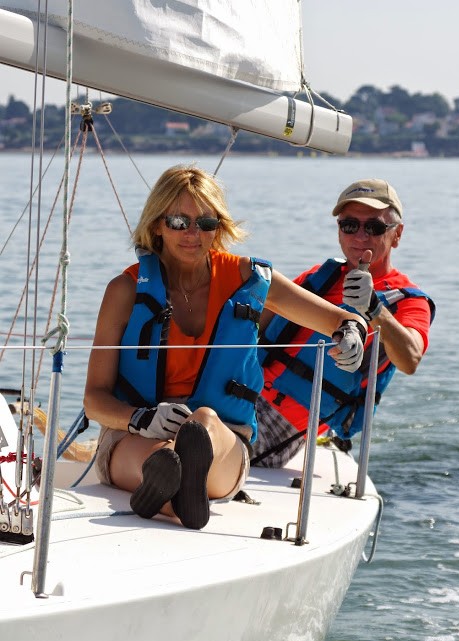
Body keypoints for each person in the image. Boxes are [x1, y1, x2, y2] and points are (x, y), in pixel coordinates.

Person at [83, 165, 367, 530]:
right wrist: (142, 419)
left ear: (219, 227)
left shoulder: (249, 279)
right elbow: (94, 399)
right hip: (134, 436)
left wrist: (352, 332)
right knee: (160, 458)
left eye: (206, 222)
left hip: (223, 442)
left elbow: (338, 320)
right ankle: (177, 497)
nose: (193, 234)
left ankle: (168, 495)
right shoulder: (124, 291)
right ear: (157, 225)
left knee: (203, 424)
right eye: (179, 221)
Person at [252, 178, 435, 468]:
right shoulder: (319, 277)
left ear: (397, 235)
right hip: (240, 390)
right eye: (349, 225)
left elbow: (410, 359)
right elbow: (255, 326)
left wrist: (374, 307)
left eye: (374, 227)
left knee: (199, 438)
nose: (359, 236)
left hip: (284, 425)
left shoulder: (408, 302)